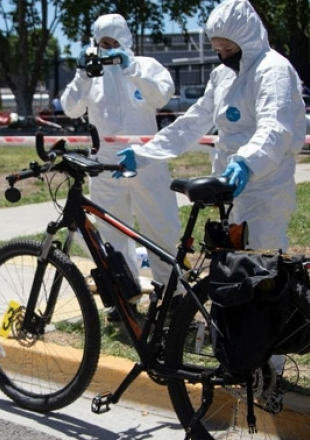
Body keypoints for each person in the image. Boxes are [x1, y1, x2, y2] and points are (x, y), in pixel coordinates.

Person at [130, 0, 307, 253]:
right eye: (217, 48)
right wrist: (144, 154)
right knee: (231, 263)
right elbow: (192, 123)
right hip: (229, 187)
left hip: (265, 188)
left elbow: (275, 126)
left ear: (247, 39)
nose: (222, 55)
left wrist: (246, 162)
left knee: (262, 261)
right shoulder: (222, 76)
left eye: (228, 47)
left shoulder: (273, 71)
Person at [60, 13, 181, 319]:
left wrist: (132, 68)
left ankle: (171, 301)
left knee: (160, 230)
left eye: (114, 42)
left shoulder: (145, 66)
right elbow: (70, 107)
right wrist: (82, 75)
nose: (109, 48)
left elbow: (162, 95)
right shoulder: (91, 76)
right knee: (111, 235)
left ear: (125, 41)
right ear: (94, 44)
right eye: (103, 43)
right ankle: (124, 298)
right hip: (105, 168)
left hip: (146, 164)